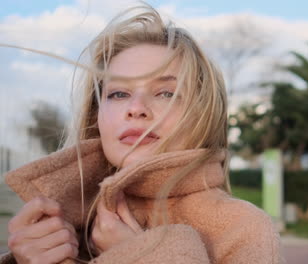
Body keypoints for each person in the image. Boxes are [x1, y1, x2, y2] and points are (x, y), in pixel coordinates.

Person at [0, 4, 281, 264]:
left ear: (203, 114)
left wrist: (142, 256)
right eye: (119, 93)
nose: (136, 109)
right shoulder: (57, 223)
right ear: (96, 115)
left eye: (166, 93)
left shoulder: (244, 227)